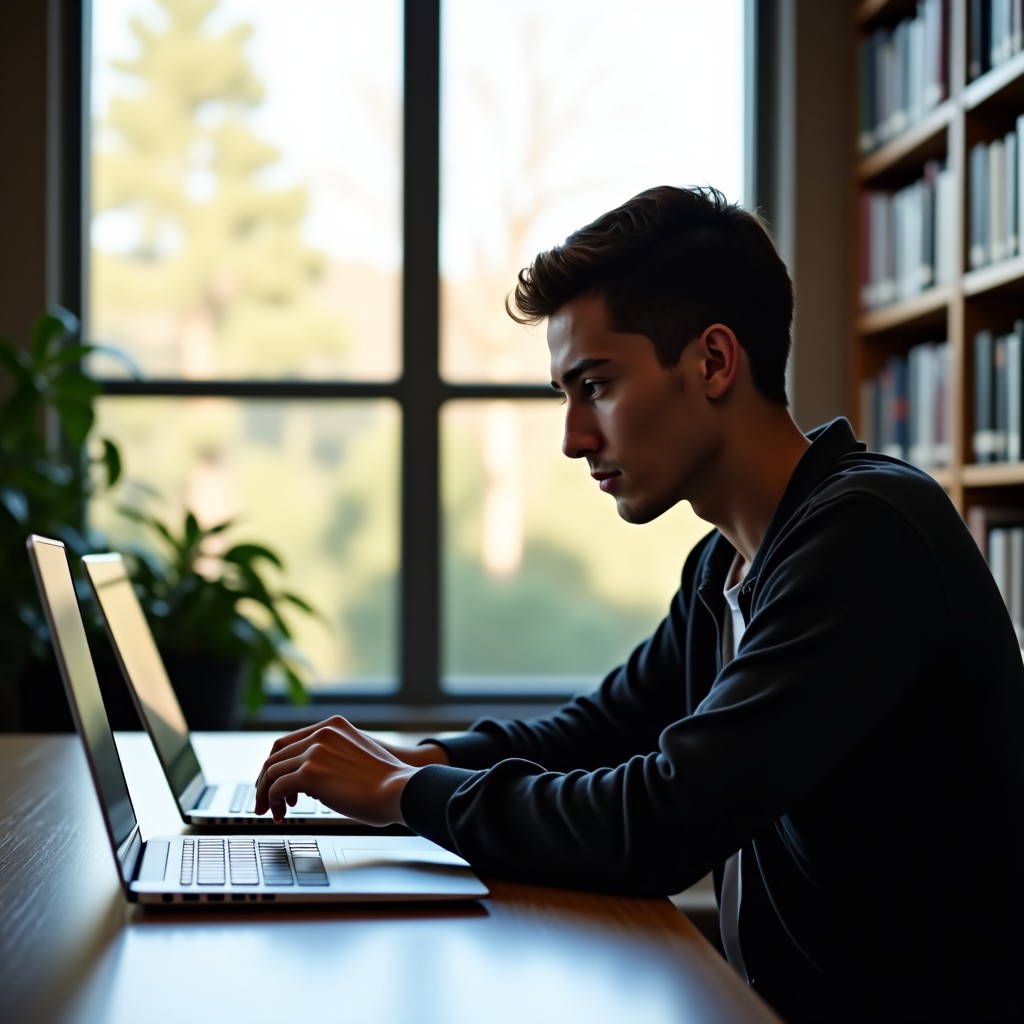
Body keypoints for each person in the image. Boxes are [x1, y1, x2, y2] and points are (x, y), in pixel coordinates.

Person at [255, 185, 1024, 1023]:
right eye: (566, 394)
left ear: (713, 362)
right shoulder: (725, 564)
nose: (574, 437)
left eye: (597, 385)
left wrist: (406, 795)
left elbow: (661, 823)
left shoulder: (865, 536)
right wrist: (416, 757)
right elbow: (597, 731)